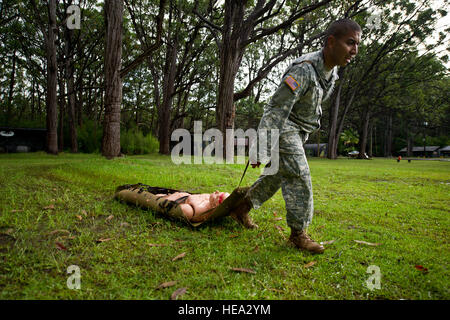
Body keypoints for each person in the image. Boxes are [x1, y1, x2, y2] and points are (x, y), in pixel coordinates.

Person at [229, 19, 362, 254]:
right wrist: (261, 147)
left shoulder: (331, 72)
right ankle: (298, 234)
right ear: (331, 42)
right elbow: (276, 108)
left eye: (358, 44)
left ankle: (241, 207)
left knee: (276, 175)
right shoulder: (304, 69)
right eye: (350, 42)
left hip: (301, 131)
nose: (355, 50)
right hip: (285, 126)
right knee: (299, 174)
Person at [155, 190, 230, 223]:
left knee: (157, 197)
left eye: (218, 195)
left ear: (216, 204)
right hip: (181, 196)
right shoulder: (209, 199)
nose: (216, 191)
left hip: (173, 200)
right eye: (220, 192)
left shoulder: (195, 211)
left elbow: (177, 209)